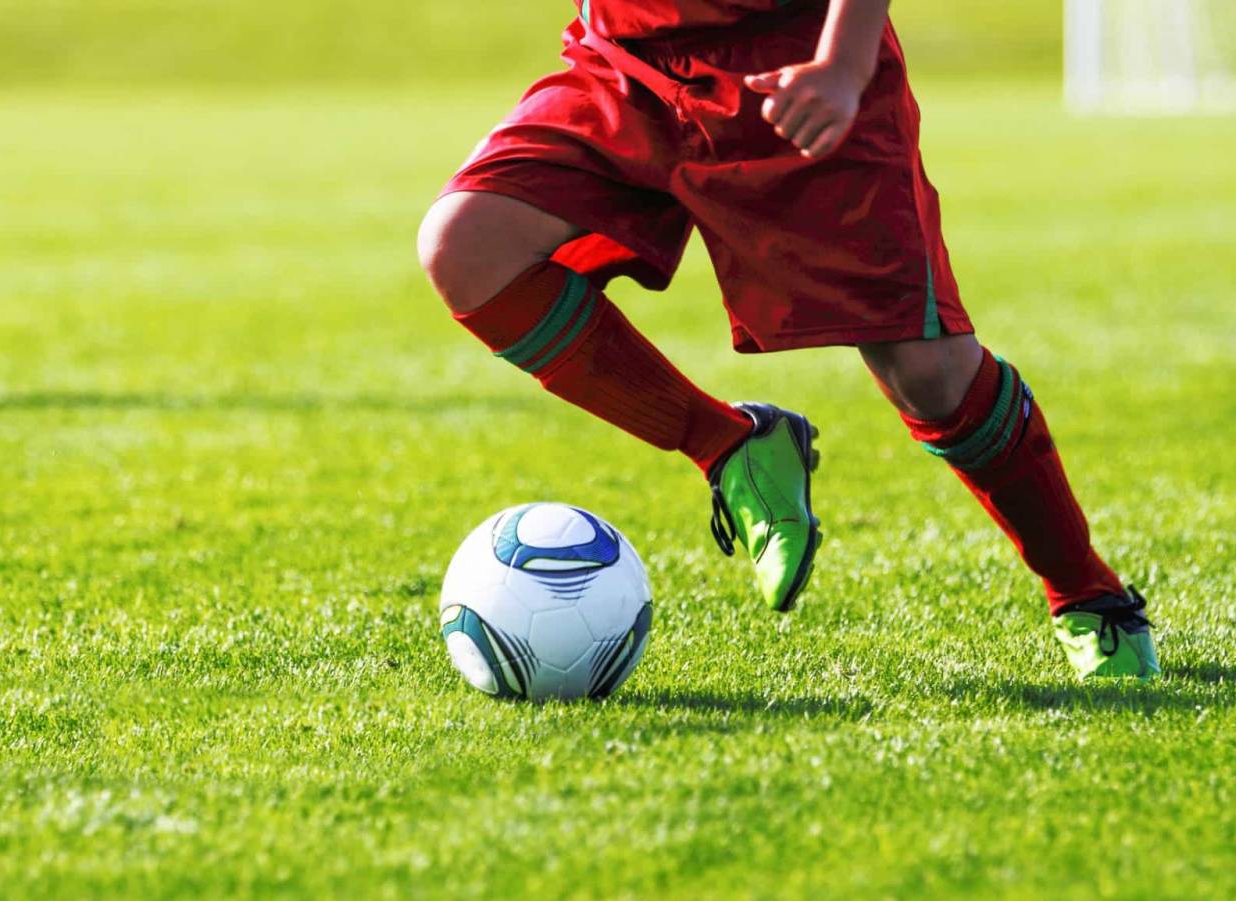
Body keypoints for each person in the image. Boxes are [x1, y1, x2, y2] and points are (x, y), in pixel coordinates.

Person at [417, 0, 1159, 680]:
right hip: (629, 64)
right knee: (467, 246)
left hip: (796, 65)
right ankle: (731, 445)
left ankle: (1087, 595)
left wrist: (843, 62)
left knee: (927, 371)